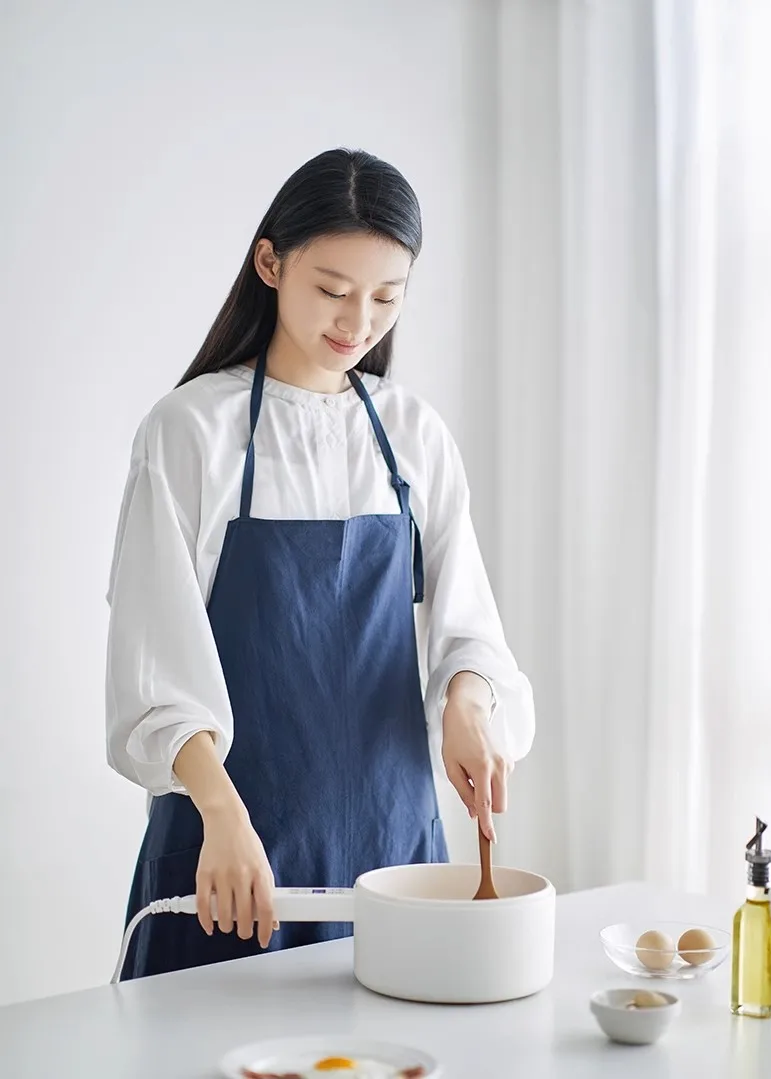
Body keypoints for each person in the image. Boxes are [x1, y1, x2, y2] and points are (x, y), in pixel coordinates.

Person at [105, 147, 535, 980]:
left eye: (386, 296)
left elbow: (468, 627)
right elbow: (153, 667)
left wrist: (468, 705)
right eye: (333, 290)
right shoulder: (190, 432)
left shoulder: (414, 436)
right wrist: (221, 814)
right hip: (232, 859)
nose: (358, 321)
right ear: (270, 262)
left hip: (396, 857)